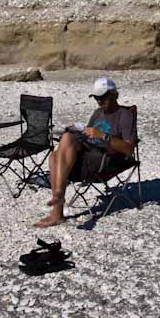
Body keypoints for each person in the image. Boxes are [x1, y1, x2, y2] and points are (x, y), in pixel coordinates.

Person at [34, 77, 136, 228]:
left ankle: (57, 208)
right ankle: (58, 198)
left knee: (57, 156)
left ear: (114, 94)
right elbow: (87, 135)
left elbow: (129, 149)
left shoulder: (125, 115)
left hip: (105, 158)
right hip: (88, 150)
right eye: (96, 98)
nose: (99, 101)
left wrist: (103, 135)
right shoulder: (97, 113)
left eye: (102, 97)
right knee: (61, 146)